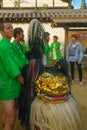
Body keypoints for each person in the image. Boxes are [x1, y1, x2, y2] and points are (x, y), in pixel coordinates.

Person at [18, 19, 85, 130]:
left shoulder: (40, 47)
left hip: (40, 70)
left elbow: (44, 58)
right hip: (38, 71)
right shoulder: (35, 49)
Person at [0, 22, 24, 130]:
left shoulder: (9, 45)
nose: (11, 30)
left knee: (6, 113)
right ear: (2, 32)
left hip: (10, 84)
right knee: (11, 117)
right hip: (8, 86)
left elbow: (18, 62)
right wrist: (24, 82)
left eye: (12, 28)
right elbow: (13, 69)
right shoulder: (5, 47)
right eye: (8, 28)